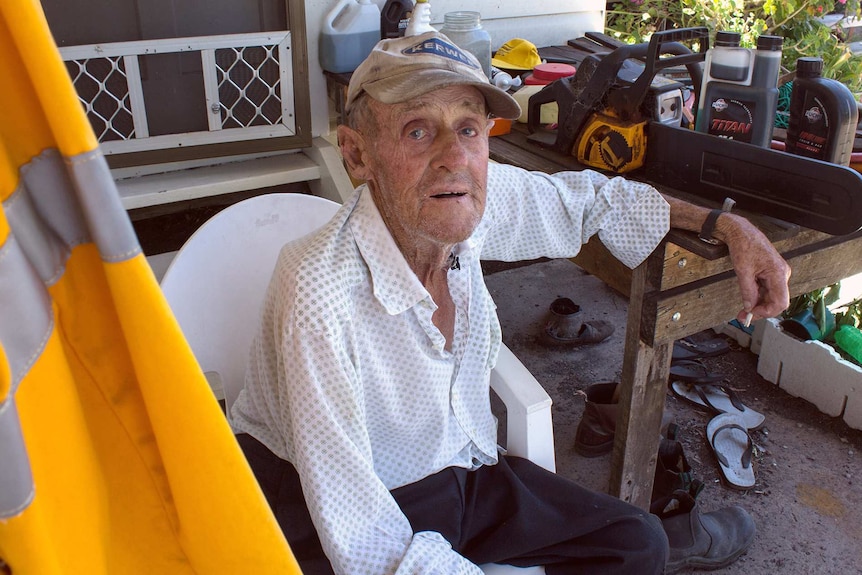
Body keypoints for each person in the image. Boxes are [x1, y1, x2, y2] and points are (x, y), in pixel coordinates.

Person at [229, 31, 791, 575]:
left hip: (453, 465)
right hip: (325, 507)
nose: (455, 157)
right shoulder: (317, 289)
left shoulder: (467, 201)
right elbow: (364, 537)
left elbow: (588, 200)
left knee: (637, 544)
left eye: (469, 128)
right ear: (358, 155)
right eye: (418, 131)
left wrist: (724, 223)